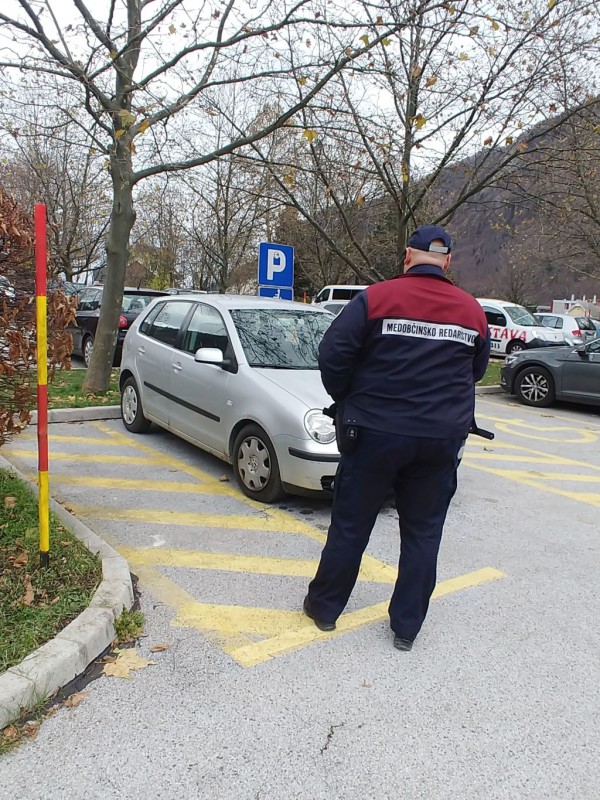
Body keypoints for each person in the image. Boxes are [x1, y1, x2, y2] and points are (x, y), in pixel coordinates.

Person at [303, 225, 491, 651]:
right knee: (423, 533)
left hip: (374, 433)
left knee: (351, 526)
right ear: (447, 262)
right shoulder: (472, 311)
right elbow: (476, 371)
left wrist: (347, 398)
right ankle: (406, 628)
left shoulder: (375, 298)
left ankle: (325, 609)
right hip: (440, 440)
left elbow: (332, 355)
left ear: (407, 256)